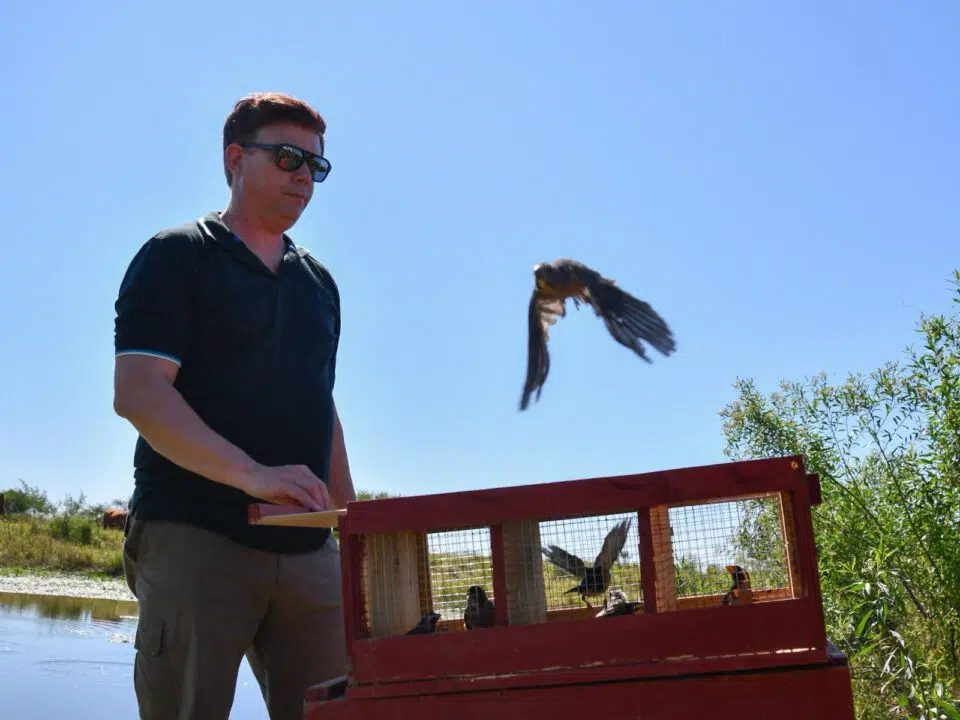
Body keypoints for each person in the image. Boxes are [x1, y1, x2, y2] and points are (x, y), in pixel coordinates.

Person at [112, 91, 356, 719]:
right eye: (285, 156)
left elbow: (319, 405)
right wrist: (256, 477)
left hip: (308, 554)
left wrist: (350, 526)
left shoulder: (319, 285)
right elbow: (139, 393)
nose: (303, 175)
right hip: (196, 537)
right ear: (234, 159)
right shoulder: (177, 256)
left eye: (315, 166)